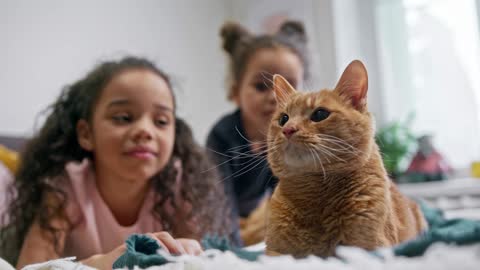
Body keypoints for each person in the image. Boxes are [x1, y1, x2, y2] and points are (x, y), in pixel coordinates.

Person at [0, 57, 232, 268]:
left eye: (161, 121)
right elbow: (31, 268)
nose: (145, 130)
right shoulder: (65, 188)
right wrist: (102, 263)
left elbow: (200, 258)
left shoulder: (180, 184)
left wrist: (188, 252)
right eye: (123, 118)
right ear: (86, 134)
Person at [206, 20, 309, 245]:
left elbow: (286, 196)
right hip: (216, 208)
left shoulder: (292, 136)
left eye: (288, 87)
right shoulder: (222, 136)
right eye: (261, 87)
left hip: (253, 212)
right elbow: (219, 203)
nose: (275, 97)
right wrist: (231, 253)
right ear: (235, 92)